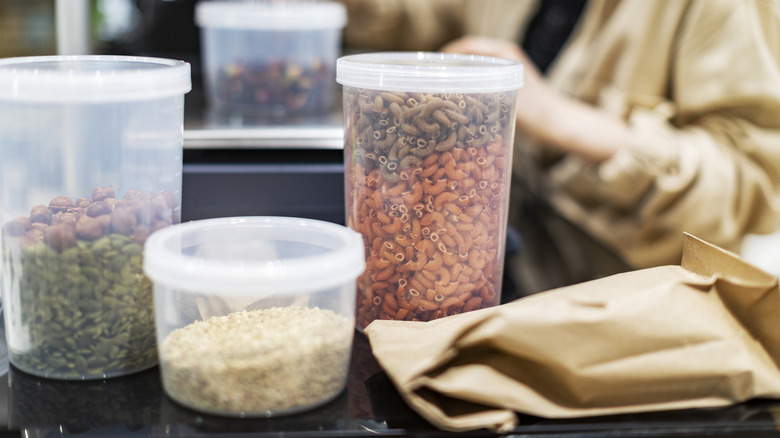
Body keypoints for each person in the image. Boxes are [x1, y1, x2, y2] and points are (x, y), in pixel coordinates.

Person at [339, 0, 780, 297]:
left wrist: (557, 118)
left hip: (630, 302)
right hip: (501, 261)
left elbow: (751, 184)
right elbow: (414, 15)